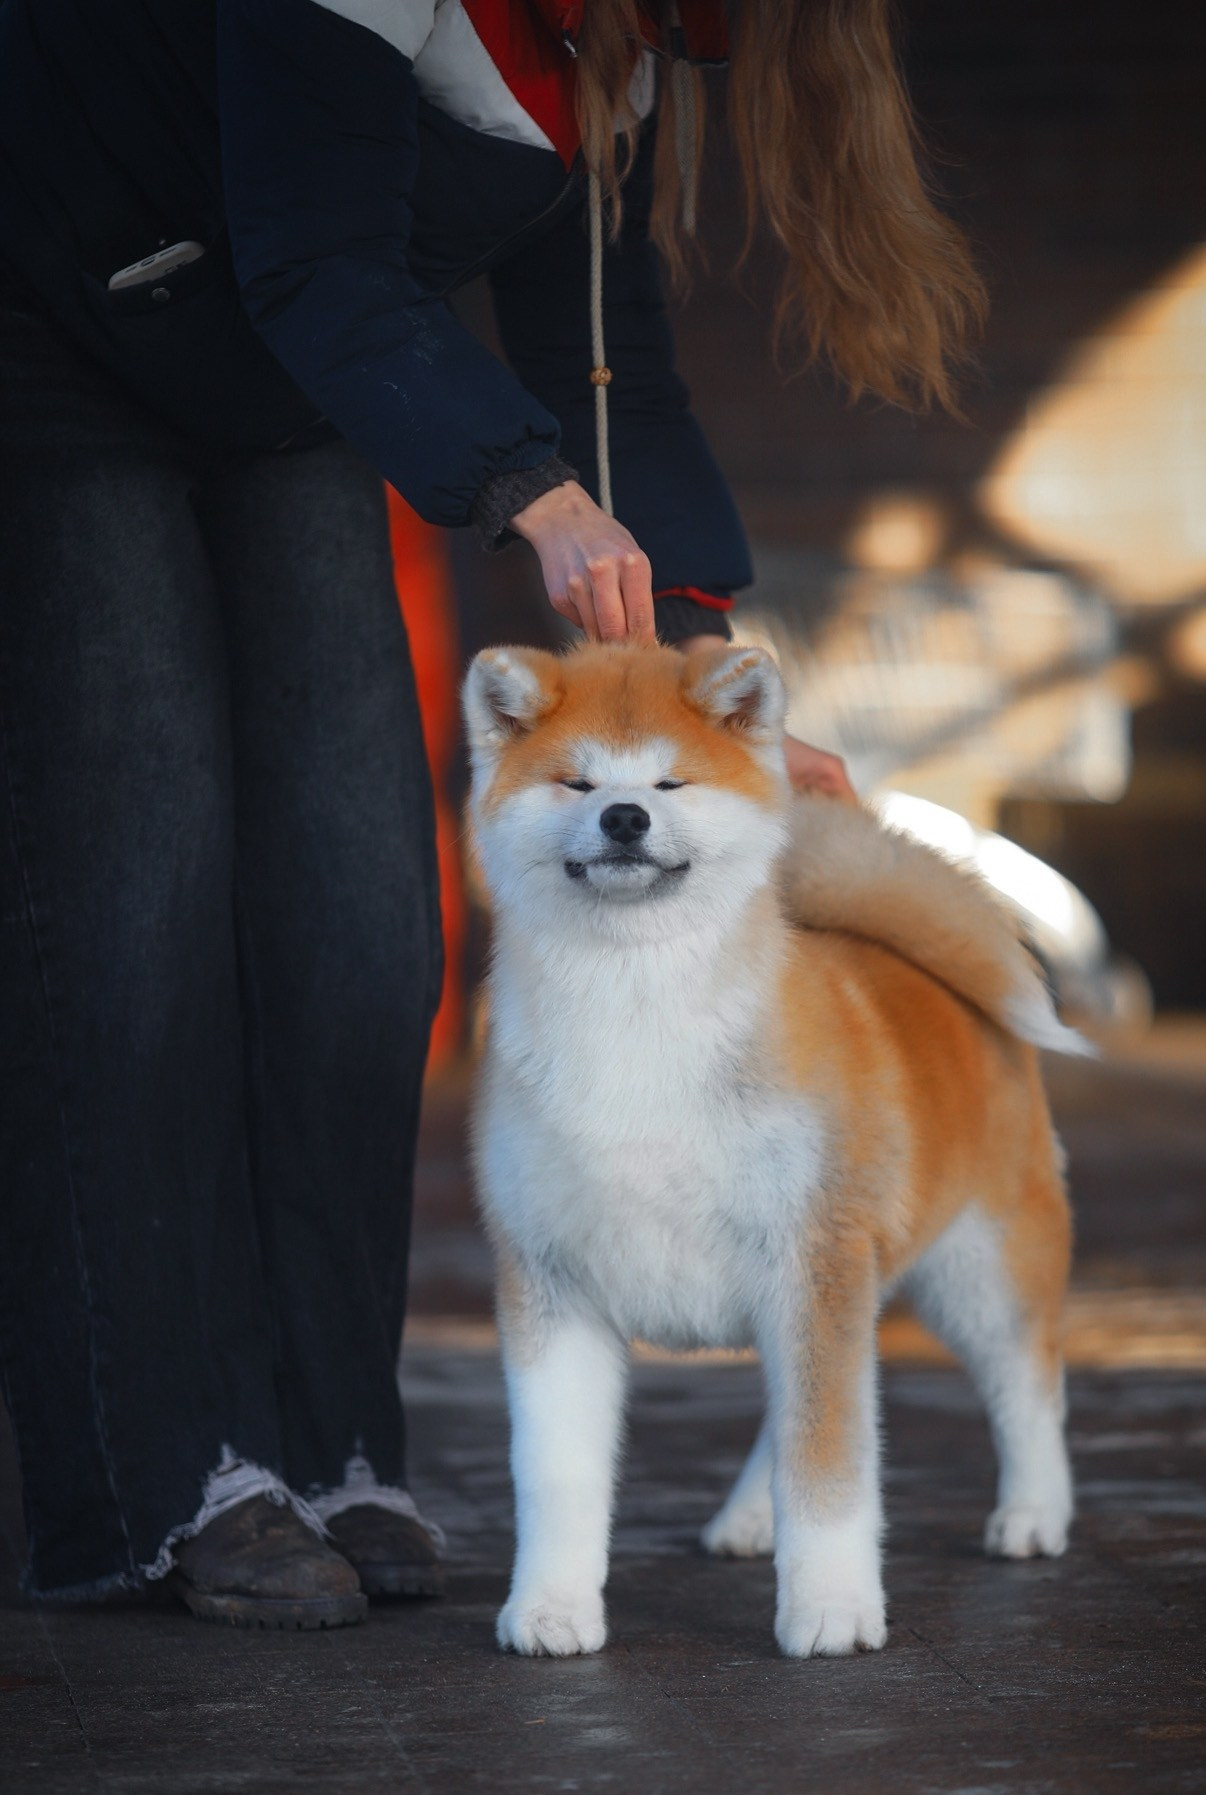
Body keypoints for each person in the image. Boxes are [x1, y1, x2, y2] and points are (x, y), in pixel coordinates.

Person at [0, 0, 981, 1627]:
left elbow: (614, 372)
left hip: (278, 379)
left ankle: (327, 1450)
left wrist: (714, 669)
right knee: (140, 910)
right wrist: (524, 490)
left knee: (361, 927)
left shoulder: (627, 53)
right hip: (57, 330)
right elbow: (320, 256)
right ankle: (151, 1479)